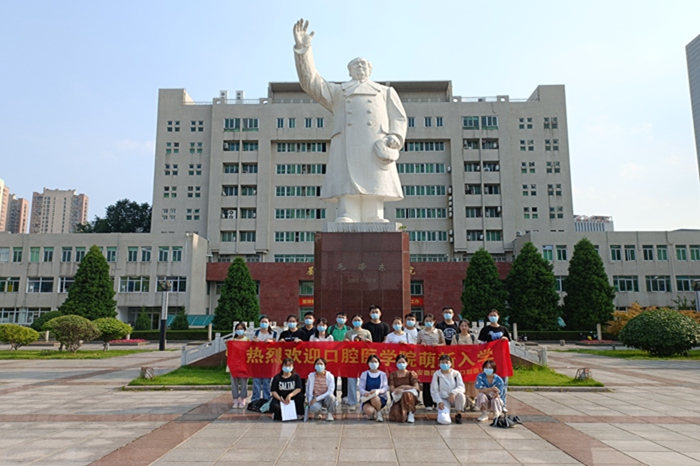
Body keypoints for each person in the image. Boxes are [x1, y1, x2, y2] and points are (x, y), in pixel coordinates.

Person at [292, 19, 408, 223]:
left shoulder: (385, 91)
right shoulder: (339, 91)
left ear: (370, 70)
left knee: (374, 179)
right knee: (347, 181)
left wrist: (395, 137)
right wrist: (303, 50)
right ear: (349, 71)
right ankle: (348, 213)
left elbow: (399, 117)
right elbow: (311, 82)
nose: (360, 66)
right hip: (347, 142)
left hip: (375, 143)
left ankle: (374, 214)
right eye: (356, 64)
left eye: (364, 64)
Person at [477, 309, 511, 411]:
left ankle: (502, 404)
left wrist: (505, 340)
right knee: (488, 381)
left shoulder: (504, 329)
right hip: (489, 359)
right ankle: (487, 403)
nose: (493, 317)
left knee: (503, 382)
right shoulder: (485, 330)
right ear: (488, 317)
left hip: (501, 359)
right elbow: (481, 345)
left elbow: (508, 345)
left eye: (495, 315)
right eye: (491, 315)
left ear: (498, 316)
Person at [343, 314, 372, 411]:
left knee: (364, 381)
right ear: (351, 322)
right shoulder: (348, 333)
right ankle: (352, 401)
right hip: (352, 360)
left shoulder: (366, 332)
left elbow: (372, 346)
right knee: (351, 381)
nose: (357, 322)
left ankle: (364, 400)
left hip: (363, 359)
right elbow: (343, 347)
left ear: (362, 321)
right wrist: (345, 342)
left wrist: (368, 342)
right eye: (355, 320)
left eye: (358, 320)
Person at [416, 313, 445, 411]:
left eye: (430, 321)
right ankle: (428, 403)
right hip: (425, 360)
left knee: (437, 381)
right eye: (426, 321)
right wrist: (421, 345)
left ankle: (437, 402)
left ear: (434, 321)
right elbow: (416, 345)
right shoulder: (421, 333)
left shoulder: (439, 332)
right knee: (426, 382)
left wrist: (438, 345)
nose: (428, 322)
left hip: (436, 359)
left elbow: (444, 344)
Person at [430, 354, 466, 423]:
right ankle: (445, 413)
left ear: (451, 363)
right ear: (439, 364)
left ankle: (458, 414)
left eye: (447, 362)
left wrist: (453, 393)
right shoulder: (437, 374)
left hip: (454, 398)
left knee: (461, 395)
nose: (445, 364)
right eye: (442, 362)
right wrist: (439, 401)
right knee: (444, 420)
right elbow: (434, 390)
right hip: (443, 399)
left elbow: (461, 387)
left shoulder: (456, 373)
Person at [250, 316, 276, 405]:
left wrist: (271, 342)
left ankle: (266, 399)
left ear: (269, 323)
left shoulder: (274, 334)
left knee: (266, 381)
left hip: (268, 360)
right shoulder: (255, 333)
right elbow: (249, 346)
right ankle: (255, 399)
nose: (264, 323)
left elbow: (279, 346)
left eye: (265, 322)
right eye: (262, 322)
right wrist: (253, 341)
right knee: (256, 381)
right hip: (257, 359)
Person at [453, 320, 478, 410]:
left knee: (472, 383)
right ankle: (463, 403)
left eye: (466, 326)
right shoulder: (455, 337)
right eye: (462, 326)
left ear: (468, 327)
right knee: (462, 382)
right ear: (459, 327)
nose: (464, 327)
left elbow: (477, 349)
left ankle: (473, 403)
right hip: (460, 363)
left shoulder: (472, 337)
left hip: (470, 363)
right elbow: (453, 349)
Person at [388, 354, 420, 423]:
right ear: (396, 364)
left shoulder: (411, 374)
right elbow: (392, 389)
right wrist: (399, 389)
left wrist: (403, 387)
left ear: (407, 363)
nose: (401, 364)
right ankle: (405, 414)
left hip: (410, 397)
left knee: (406, 394)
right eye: (399, 362)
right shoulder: (393, 375)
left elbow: (416, 387)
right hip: (398, 398)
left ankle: (411, 413)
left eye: (403, 362)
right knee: (396, 415)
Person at [328, 312, 350, 403]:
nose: (341, 319)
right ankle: (333, 395)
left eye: (343, 317)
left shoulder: (348, 329)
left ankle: (345, 395)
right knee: (334, 375)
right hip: (333, 355)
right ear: (336, 318)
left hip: (345, 355)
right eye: (339, 317)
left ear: (346, 319)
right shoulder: (331, 328)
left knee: (345, 375)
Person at [359, 355, 389, 422]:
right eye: (371, 362)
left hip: (379, 398)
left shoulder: (383, 374)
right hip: (367, 397)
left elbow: (385, 388)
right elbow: (361, 388)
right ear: (368, 363)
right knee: (369, 410)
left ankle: (379, 412)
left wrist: (377, 391)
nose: (374, 363)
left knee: (374, 397)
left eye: (375, 362)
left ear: (379, 363)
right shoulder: (364, 374)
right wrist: (365, 393)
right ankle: (372, 413)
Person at [230, 322, 249, 409]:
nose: (239, 330)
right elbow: (228, 353)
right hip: (234, 364)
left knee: (243, 382)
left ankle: (243, 398)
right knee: (234, 382)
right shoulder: (232, 341)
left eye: (241, 329)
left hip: (244, 364)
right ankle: (235, 398)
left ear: (244, 330)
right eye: (238, 329)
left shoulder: (247, 340)